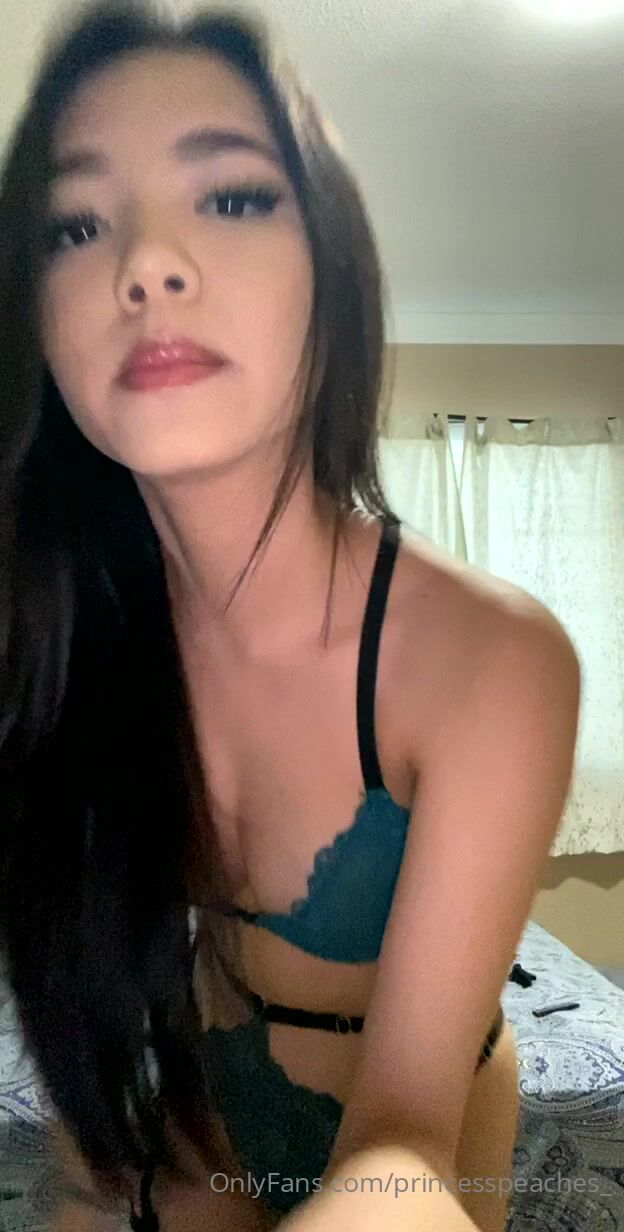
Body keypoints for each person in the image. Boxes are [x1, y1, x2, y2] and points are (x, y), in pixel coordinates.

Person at [0, 2, 581, 1231]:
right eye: (76, 223)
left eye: (231, 196)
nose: (147, 264)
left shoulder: (492, 659)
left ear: (333, 271)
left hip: (408, 1139)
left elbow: (406, 1138)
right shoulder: (58, 639)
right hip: (206, 1105)